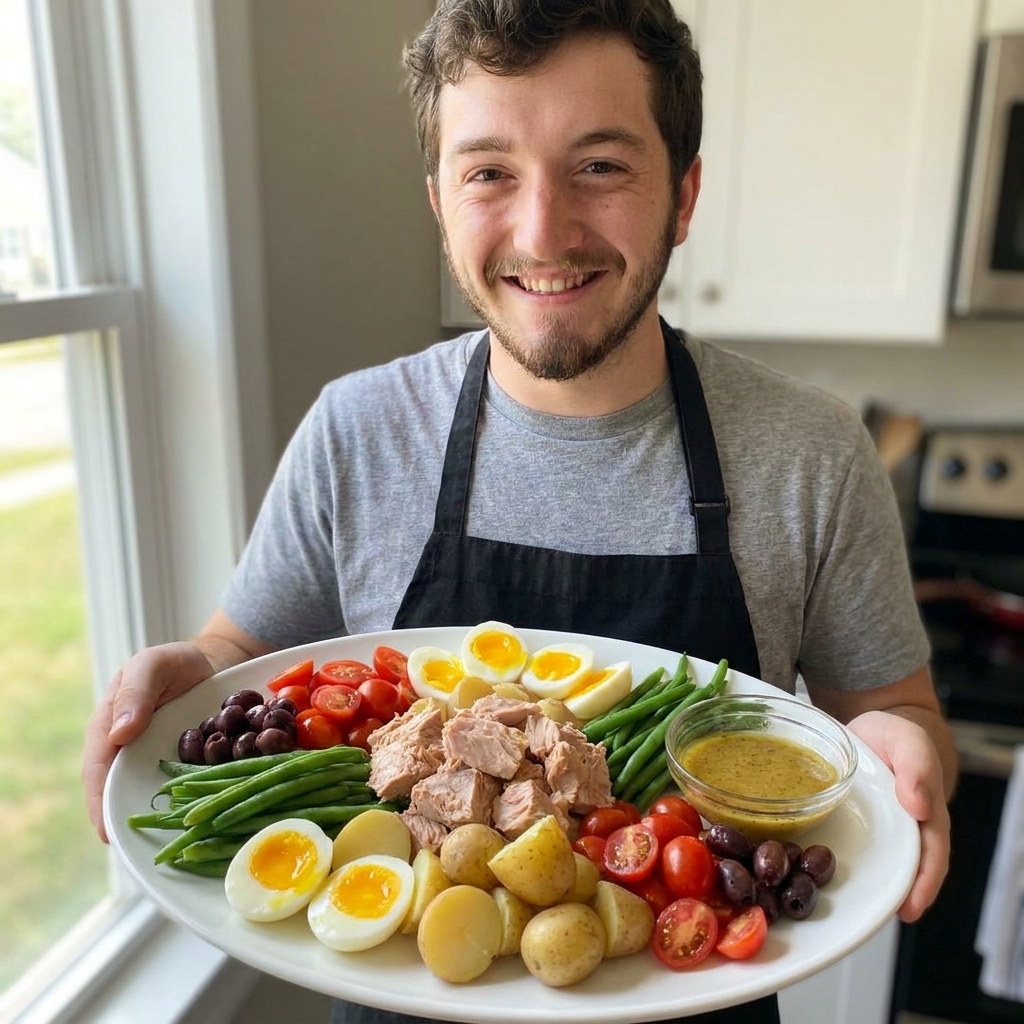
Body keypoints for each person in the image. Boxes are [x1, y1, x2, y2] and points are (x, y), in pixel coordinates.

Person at [83, 2, 956, 1022]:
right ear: (438, 203)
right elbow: (246, 650)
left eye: (600, 165)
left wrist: (908, 748)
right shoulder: (357, 430)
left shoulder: (809, 452)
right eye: (489, 171)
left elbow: (890, 720)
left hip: (689, 977)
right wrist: (197, 674)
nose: (543, 231)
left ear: (683, 194)